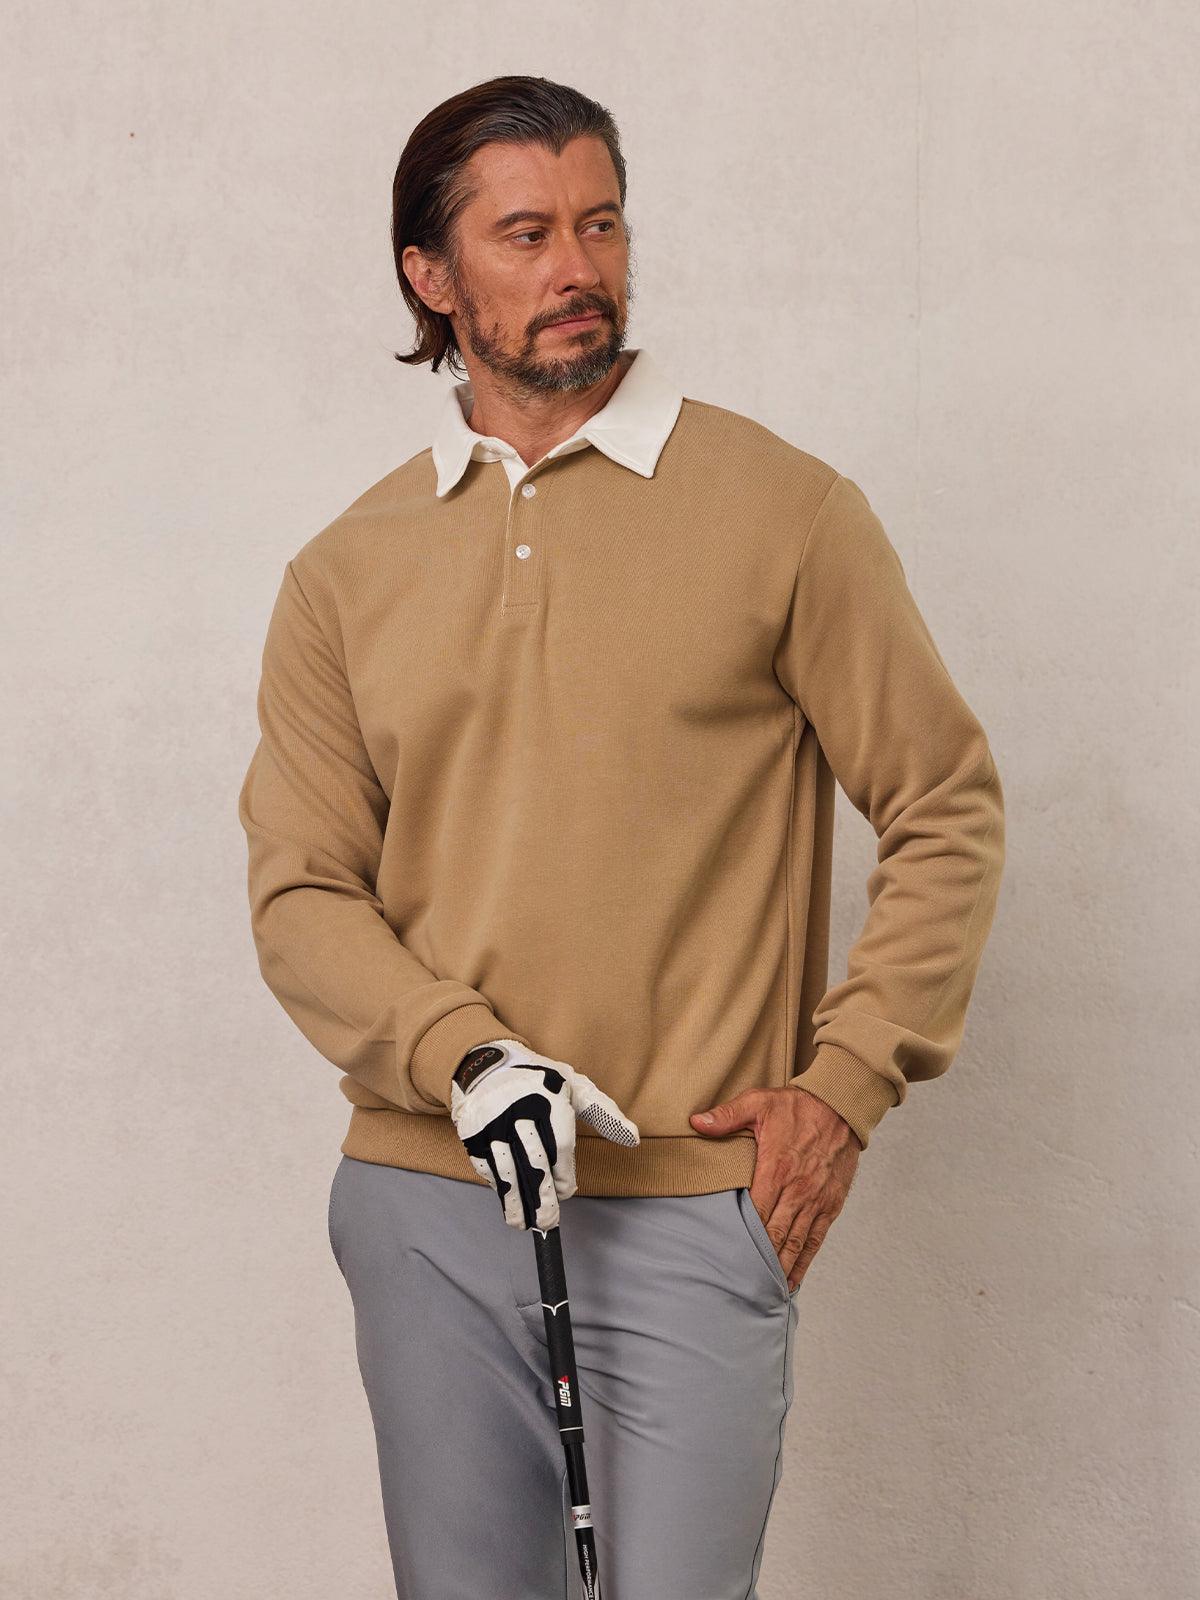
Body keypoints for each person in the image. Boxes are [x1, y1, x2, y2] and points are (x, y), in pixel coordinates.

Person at [236, 73, 1006, 1600]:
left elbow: (945, 806)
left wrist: (839, 1092)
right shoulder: (343, 571)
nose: (578, 265)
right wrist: (463, 1056)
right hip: (427, 1203)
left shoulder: (786, 512)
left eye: (601, 224)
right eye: (526, 234)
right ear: (431, 276)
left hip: (691, 1202)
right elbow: (302, 892)